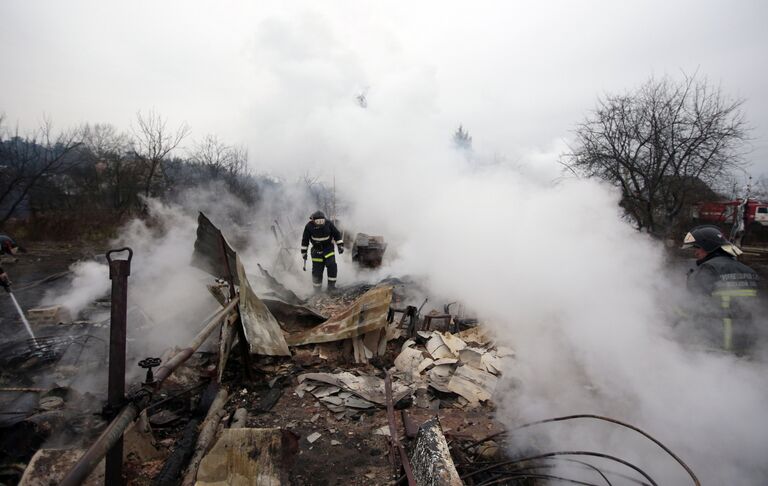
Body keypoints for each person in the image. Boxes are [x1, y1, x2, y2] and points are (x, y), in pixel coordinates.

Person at [682, 225, 761, 353]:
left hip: (713, 347)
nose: (695, 252)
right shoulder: (749, 271)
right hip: (745, 346)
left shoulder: (707, 270)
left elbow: (691, 306)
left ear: (709, 247)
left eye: (697, 247)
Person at [301, 211, 344, 292]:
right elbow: (305, 240)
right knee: (317, 271)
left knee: (332, 266)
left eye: (322, 221)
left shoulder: (329, 223)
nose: (320, 223)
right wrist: (304, 252)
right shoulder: (309, 226)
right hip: (316, 251)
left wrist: (340, 245)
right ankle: (317, 291)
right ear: (313, 220)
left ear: (324, 219)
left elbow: (336, 234)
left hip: (328, 249)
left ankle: (331, 288)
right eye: (318, 221)